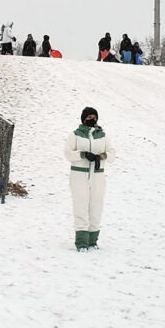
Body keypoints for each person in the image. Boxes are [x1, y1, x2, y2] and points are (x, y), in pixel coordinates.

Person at [64, 107, 113, 252]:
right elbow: (67, 153)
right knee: (81, 206)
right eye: (89, 117)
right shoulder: (75, 135)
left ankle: (93, 241)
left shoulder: (103, 135)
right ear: (83, 118)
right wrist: (83, 154)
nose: (92, 119)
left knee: (96, 207)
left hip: (98, 176)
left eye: (94, 116)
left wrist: (101, 156)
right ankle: (82, 242)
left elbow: (113, 153)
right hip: (79, 175)